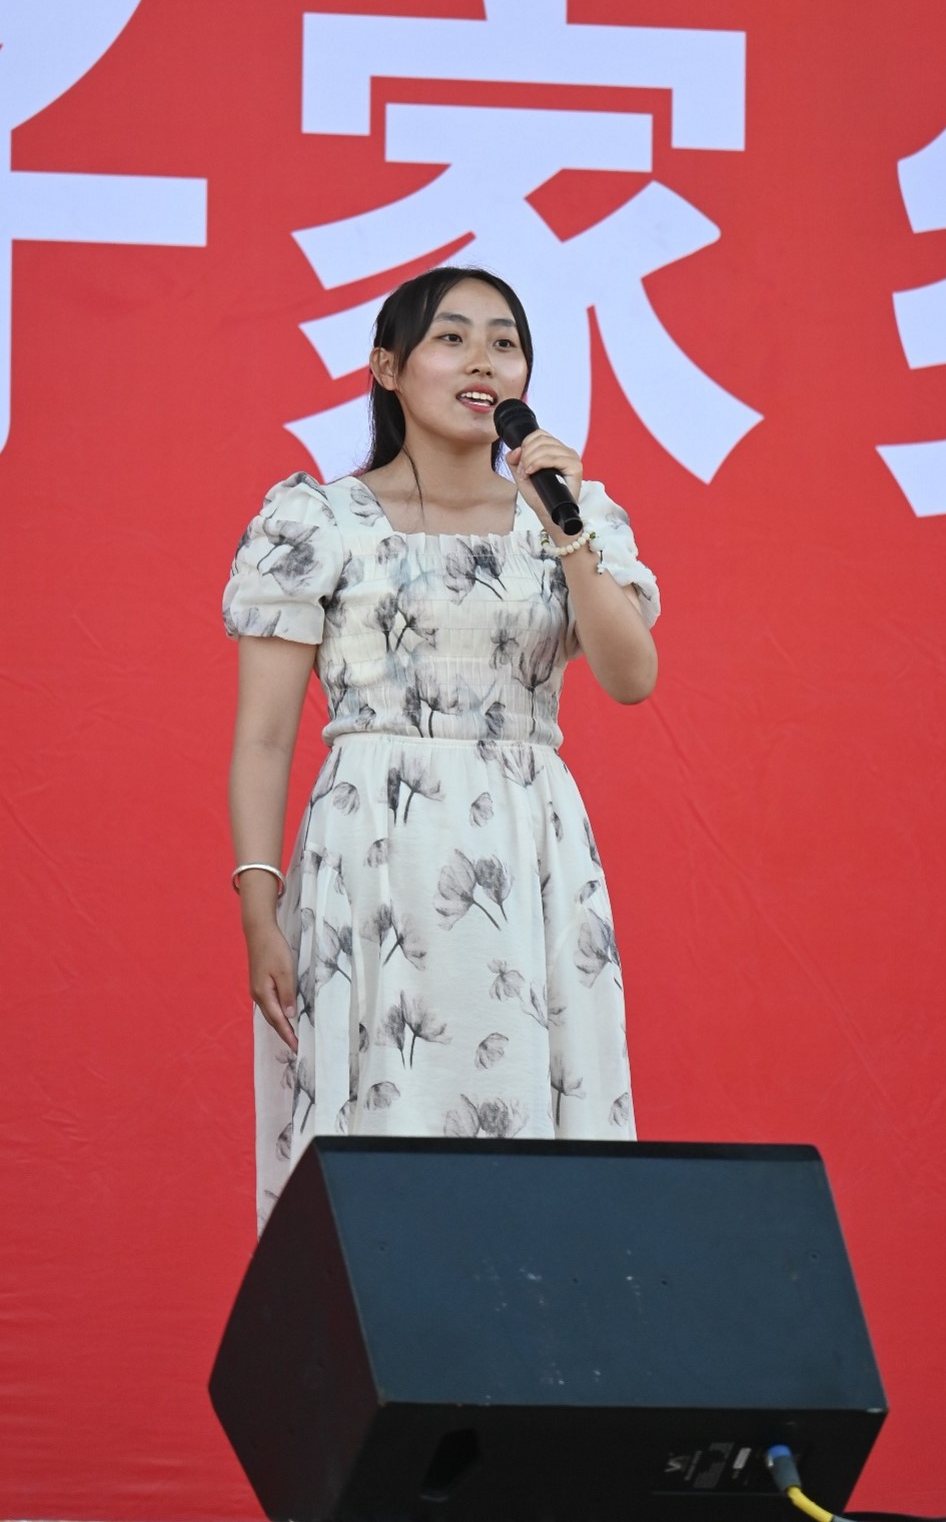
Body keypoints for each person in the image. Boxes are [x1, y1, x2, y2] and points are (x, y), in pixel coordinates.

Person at [223, 266, 660, 1228]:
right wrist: (260, 907)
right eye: (451, 338)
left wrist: (563, 528)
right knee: (377, 1133)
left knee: (540, 1139)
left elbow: (632, 675)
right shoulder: (318, 520)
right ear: (387, 367)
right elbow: (263, 735)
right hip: (372, 845)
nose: (483, 362)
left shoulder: (570, 515)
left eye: (505, 343)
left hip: (528, 843)